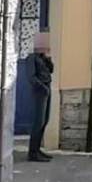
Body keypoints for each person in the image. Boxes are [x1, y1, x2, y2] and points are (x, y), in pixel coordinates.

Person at [27, 32, 53, 162]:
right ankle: (32, 152)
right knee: (38, 122)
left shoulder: (43, 58)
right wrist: (42, 88)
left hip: (47, 89)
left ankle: (37, 149)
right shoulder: (32, 58)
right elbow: (31, 77)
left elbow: (51, 70)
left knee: (45, 120)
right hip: (39, 92)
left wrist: (48, 58)